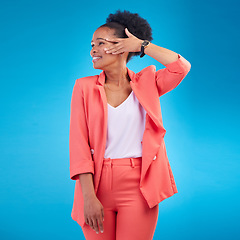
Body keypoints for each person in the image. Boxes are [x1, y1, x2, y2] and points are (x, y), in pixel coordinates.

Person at [69, 9, 191, 240]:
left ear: (122, 46)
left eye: (101, 43)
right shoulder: (83, 87)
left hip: (140, 184)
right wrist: (88, 197)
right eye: (92, 44)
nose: (93, 50)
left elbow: (181, 67)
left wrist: (142, 46)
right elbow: (79, 145)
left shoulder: (148, 83)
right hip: (97, 183)